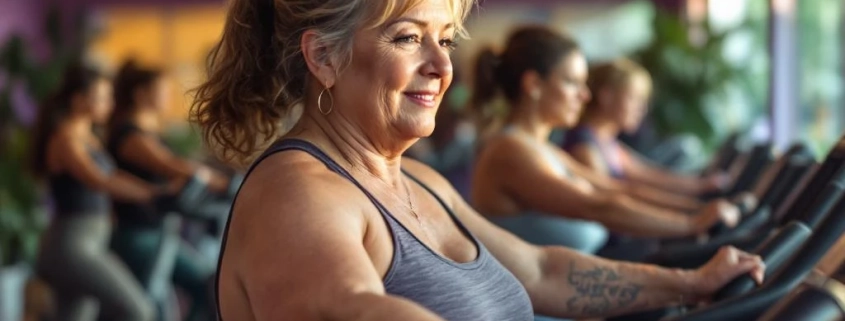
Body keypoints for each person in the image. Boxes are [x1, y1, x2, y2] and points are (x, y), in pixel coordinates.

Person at [190, 1, 765, 320]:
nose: (442, 67)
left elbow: (542, 271)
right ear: (324, 58)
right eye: (409, 38)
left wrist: (693, 282)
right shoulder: (296, 193)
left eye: (447, 41)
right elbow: (356, 310)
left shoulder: (419, 177)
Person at [470, 27, 744, 257]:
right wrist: (693, 223)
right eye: (572, 82)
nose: (585, 95)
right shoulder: (509, 152)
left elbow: (617, 189)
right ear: (534, 84)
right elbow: (598, 205)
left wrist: (700, 209)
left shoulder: (541, 148)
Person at [29, 62, 164, 321]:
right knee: (138, 310)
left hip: (90, 241)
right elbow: (98, 180)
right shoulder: (66, 139)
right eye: (102, 98)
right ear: (79, 100)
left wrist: (154, 190)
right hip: (71, 244)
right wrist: (152, 194)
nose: (109, 104)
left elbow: (112, 176)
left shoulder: (89, 136)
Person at [107, 60, 225, 320]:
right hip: (138, 234)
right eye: (162, 89)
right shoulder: (129, 135)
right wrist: (219, 181)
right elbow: (170, 166)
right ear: (140, 94)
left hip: (159, 232)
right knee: (152, 307)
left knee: (206, 284)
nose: (167, 95)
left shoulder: (149, 133)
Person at [564, 58, 728, 197]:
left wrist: (701, 186)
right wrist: (694, 214)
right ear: (606, 96)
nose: (641, 109)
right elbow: (611, 201)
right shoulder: (585, 146)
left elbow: (650, 176)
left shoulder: (607, 142)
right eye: (634, 99)